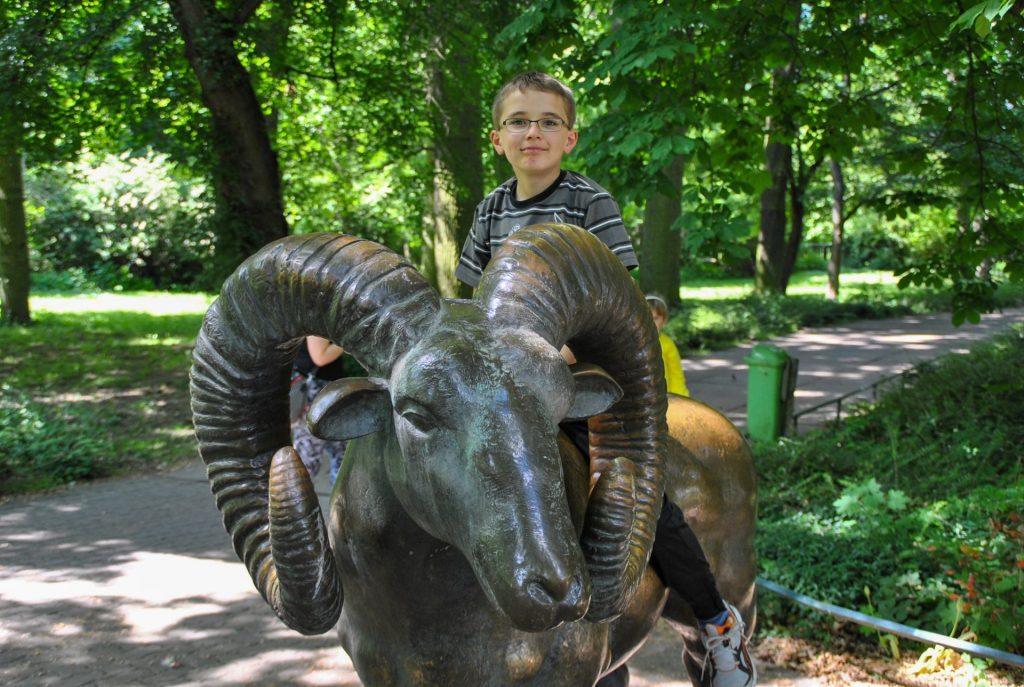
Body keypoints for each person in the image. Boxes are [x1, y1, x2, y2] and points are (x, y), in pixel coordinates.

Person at [455, 72, 756, 687]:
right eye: (519, 121)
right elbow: (472, 305)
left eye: (548, 122)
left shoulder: (588, 204)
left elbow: (617, 301)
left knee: (637, 499)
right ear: (496, 138)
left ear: (569, 138)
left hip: (580, 381)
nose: (532, 132)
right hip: (510, 390)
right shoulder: (489, 211)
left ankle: (716, 620)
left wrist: (560, 352)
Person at [291, 336, 347, 484]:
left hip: (324, 391)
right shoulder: (315, 320)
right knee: (308, 461)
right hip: (318, 393)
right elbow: (320, 357)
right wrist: (347, 341)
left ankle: (342, 496)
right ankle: (291, 495)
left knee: (340, 455)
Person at [646, 294, 689, 397]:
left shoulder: (667, 344)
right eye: (647, 318)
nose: (651, 323)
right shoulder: (632, 344)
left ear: (664, 320)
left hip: (664, 397)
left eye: (656, 318)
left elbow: (676, 374)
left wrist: (679, 398)